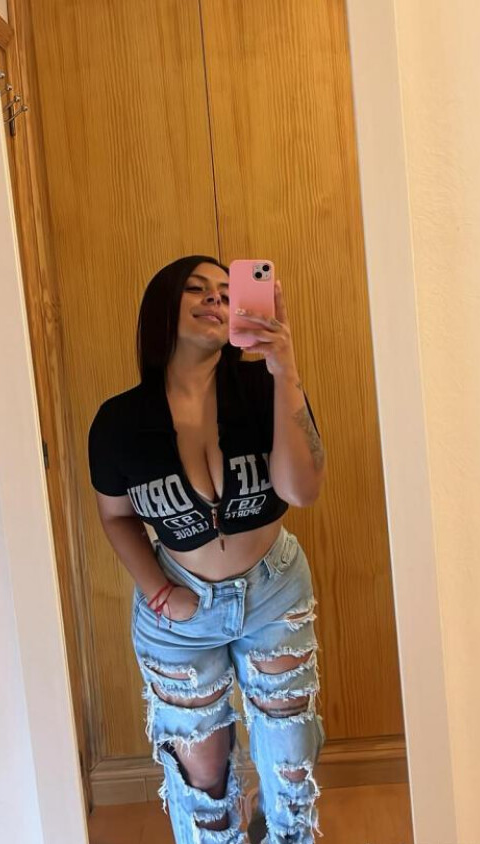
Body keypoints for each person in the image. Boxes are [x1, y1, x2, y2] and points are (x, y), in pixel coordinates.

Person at [88, 255, 325, 844]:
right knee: (204, 776)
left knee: (291, 758)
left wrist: (285, 371)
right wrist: (159, 591)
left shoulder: (263, 388)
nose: (215, 299)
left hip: (274, 591)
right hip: (179, 614)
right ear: (162, 309)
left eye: (226, 290)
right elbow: (116, 516)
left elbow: (302, 491)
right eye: (196, 289)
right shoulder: (118, 422)